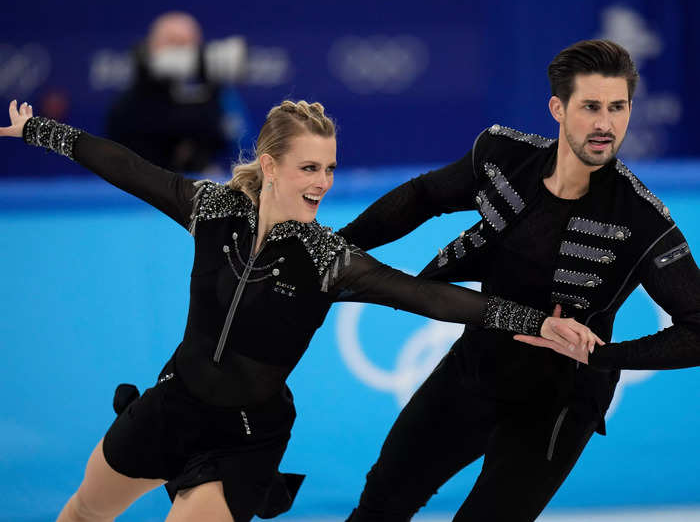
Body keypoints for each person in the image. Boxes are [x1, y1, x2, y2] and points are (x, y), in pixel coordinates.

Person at [0, 99, 598, 522]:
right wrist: (39, 131)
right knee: (84, 511)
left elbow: (433, 298)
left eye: (329, 168)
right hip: (174, 401)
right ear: (270, 165)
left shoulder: (328, 258)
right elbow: (128, 169)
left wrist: (534, 321)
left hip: (241, 437)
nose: (323, 182)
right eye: (309, 167)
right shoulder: (213, 210)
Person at [338, 39, 700, 521]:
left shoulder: (644, 220)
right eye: (591, 107)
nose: (605, 125)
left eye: (618, 108)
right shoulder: (502, 156)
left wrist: (603, 355)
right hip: (475, 367)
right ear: (558, 107)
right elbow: (424, 195)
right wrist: (337, 246)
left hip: (558, 403)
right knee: (381, 500)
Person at [106, 11, 247, 173]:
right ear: (151, 46)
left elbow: (239, 142)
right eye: (172, 42)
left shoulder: (219, 95)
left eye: (187, 43)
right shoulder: (128, 103)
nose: (180, 51)